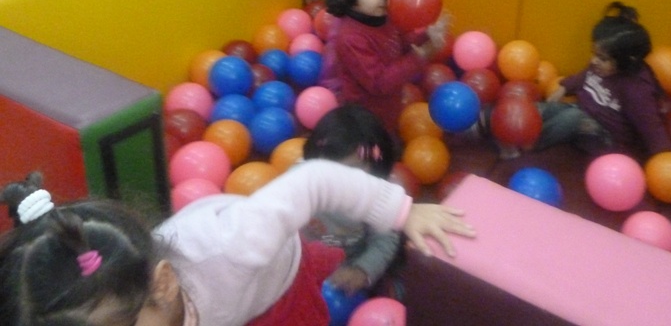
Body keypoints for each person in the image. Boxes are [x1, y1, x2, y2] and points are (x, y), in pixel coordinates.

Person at [0, 167, 474, 326]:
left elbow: (315, 180)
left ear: (162, 286)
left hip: (274, 285)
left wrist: (402, 211)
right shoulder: (127, 307)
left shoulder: (237, 244)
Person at [484, 2, 671, 159]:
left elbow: (652, 128)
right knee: (541, 109)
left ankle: (528, 143)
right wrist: (565, 87)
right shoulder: (603, 66)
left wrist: (665, 159)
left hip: (607, 139)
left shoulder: (637, 89)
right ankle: (488, 122)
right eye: (594, 54)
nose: (594, 61)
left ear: (627, 61)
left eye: (602, 58)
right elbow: (586, 75)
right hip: (580, 110)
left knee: (573, 118)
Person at [322, 0, 448, 135]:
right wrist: (420, 56)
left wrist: (426, 35)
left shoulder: (385, 17)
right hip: (364, 122)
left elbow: (399, 43)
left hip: (388, 110)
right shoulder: (350, 38)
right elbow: (379, 83)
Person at [302, 104, 404, 297]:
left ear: (375, 168)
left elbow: (385, 239)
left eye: (353, 172)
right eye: (330, 170)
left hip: (354, 264)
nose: (341, 180)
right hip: (306, 265)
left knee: (390, 292)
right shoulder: (300, 181)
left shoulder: (380, 195)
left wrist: (362, 270)